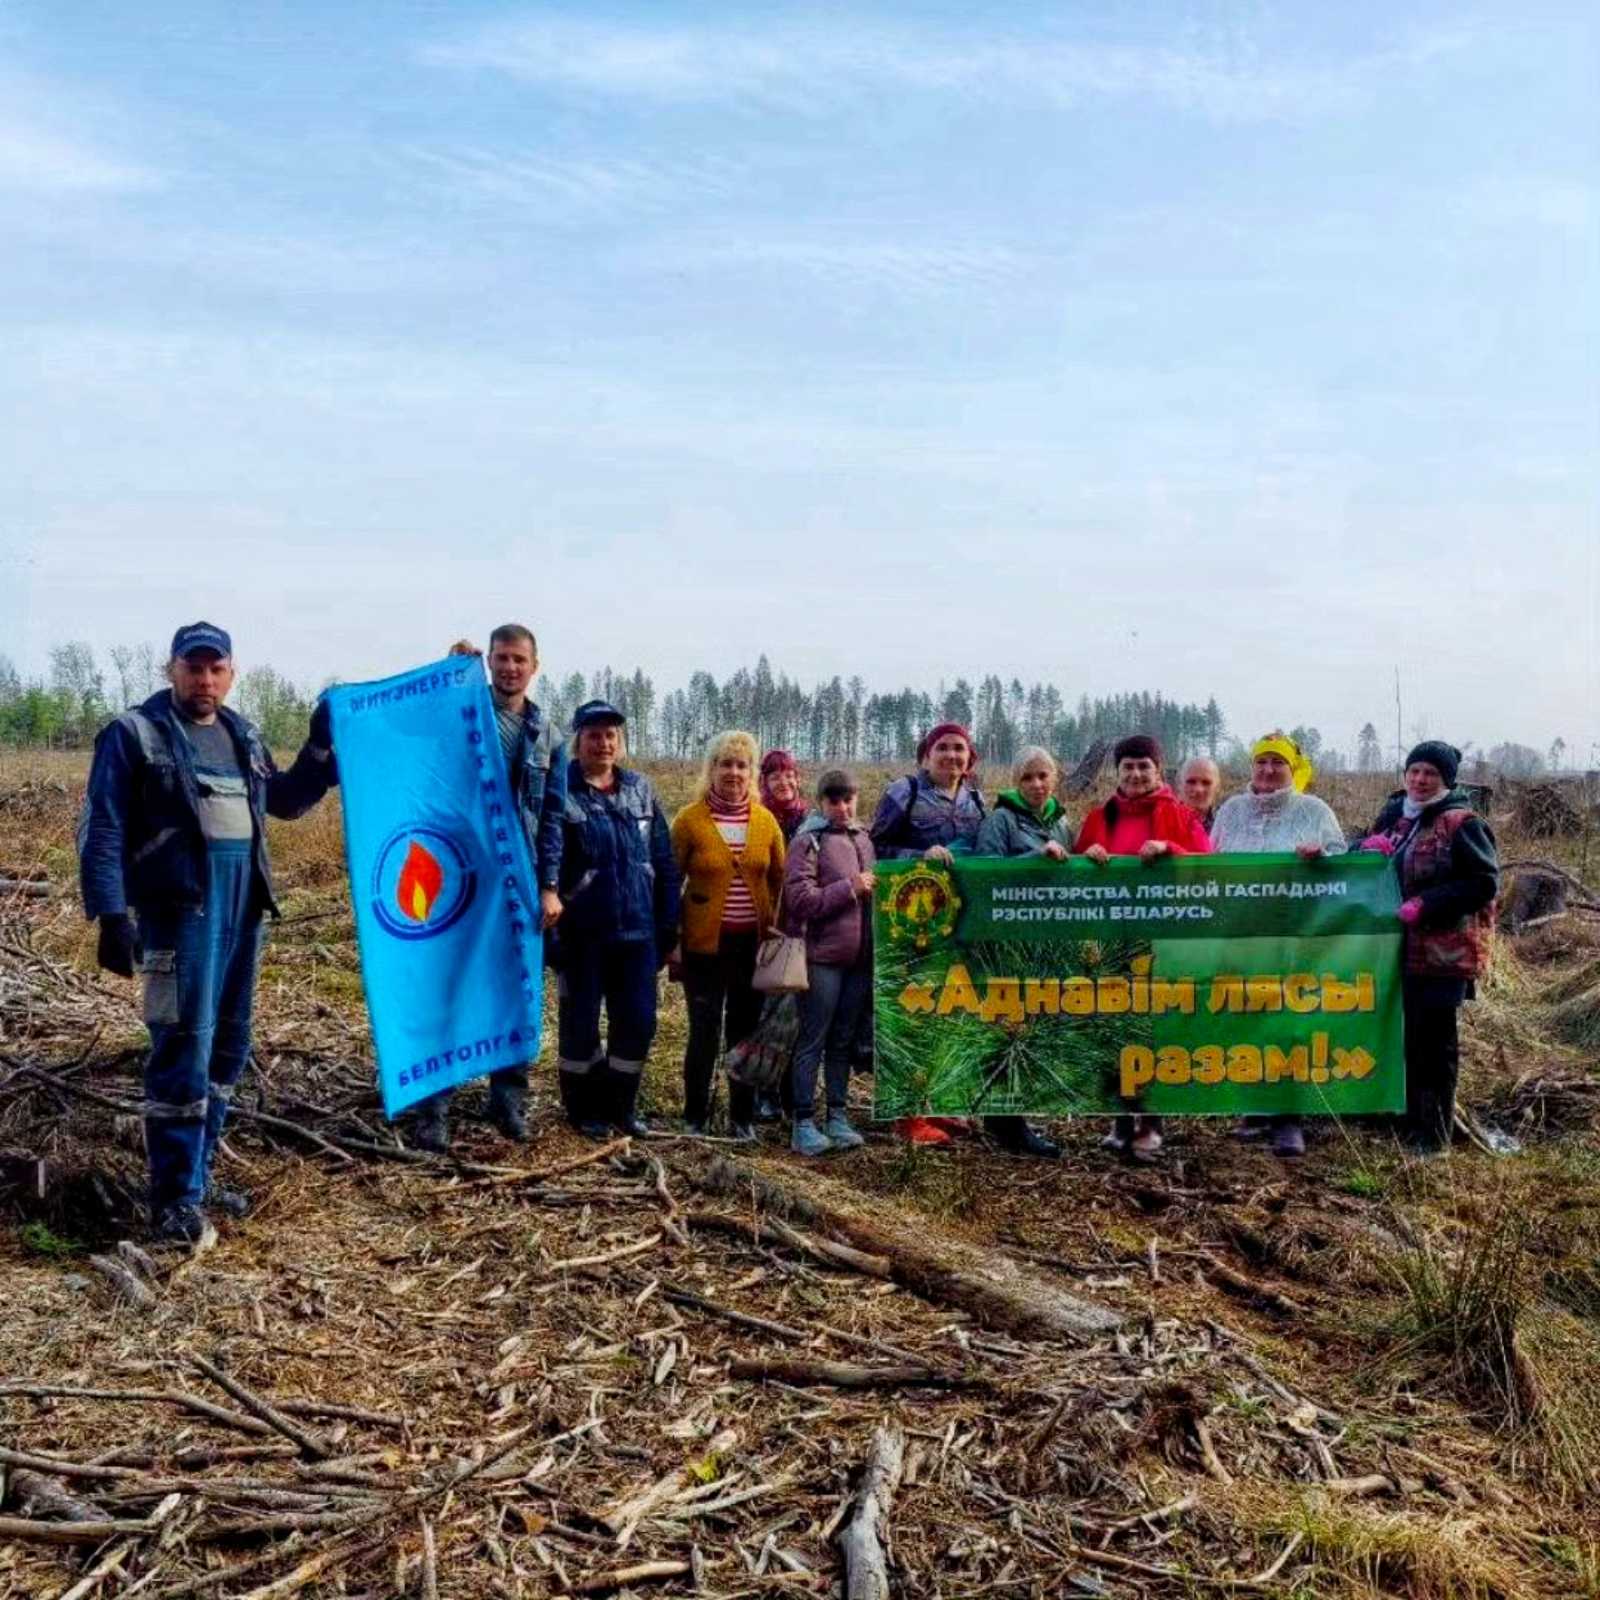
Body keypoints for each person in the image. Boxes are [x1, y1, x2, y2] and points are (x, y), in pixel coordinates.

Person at [80, 623, 337, 1243]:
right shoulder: (134, 733)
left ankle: (197, 1175)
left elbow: (284, 801)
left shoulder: (241, 733)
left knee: (228, 1048)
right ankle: (173, 1200)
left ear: (231, 673)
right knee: (182, 1050)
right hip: (179, 915)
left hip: (243, 913)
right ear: (171, 669)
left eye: (216, 669)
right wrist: (111, 915)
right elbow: (102, 826)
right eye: (193, 668)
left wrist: (319, 749)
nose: (205, 680)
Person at [411, 626, 567, 1152]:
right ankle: (434, 1107)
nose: (510, 668)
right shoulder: (463, 712)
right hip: (458, 874)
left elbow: (552, 817)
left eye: (519, 659)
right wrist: (449, 673)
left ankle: (507, 1101)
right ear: (490, 661)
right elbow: (425, 743)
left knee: (516, 987)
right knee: (449, 985)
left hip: (519, 881)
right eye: (501, 658)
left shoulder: (548, 736)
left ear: (534, 666)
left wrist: (549, 885)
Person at [1075, 734, 1212, 1161]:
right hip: (1111, 942)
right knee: (1112, 1028)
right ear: (1117, 772)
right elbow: (1073, 876)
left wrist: (1171, 849)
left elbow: (1209, 868)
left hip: (1162, 942)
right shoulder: (1100, 817)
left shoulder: (1180, 815)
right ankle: (1119, 1120)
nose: (1135, 774)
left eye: (1143, 767)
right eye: (1128, 767)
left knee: (1153, 1031)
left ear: (1158, 770)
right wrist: (1086, 856)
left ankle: (1151, 1123)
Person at [1210, 732, 1347, 1157]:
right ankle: (1254, 1108)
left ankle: (1289, 1118)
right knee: (1245, 1018)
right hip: (1241, 934)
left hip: (1293, 937)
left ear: (1292, 768)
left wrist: (1321, 857)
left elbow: (1345, 865)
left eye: (1278, 763)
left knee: (1288, 1023)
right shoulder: (1231, 810)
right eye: (1261, 762)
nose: (1268, 770)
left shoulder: (1314, 810)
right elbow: (1210, 862)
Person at [1361, 741, 1498, 1154]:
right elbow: (1366, 854)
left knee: (1435, 1043)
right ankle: (1405, 1118)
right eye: (1415, 771)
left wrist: (1427, 903)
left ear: (1446, 781)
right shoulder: (1395, 814)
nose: (1420, 780)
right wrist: (1362, 849)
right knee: (1403, 1034)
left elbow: (1482, 883)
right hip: (1394, 948)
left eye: (1431, 774)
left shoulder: (1462, 823)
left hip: (1443, 954)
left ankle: (1434, 1135)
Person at [553, 700, 680, 1141]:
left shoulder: (640, 789)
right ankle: (583, 1110)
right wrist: (553, 935)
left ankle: (621, 1107)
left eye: (611, 735)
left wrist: (668, 926)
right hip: (582, 936)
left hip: (638, 935)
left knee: (639, 1023)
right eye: (594, 735)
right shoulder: (560, 790)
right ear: (578, 741)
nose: (603, 743)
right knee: (580, 1026)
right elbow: (546, 863)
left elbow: (663, 861)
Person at [869, 722, 987, 1144]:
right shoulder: (905, 793)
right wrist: (920, 856)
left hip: (957, 923)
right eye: (943, 748)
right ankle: (907, 1113)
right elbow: (875, 848)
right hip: (910, 920)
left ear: (969, 758)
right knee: (912, 1011)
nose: (951, 755)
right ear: (926, 754)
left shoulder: (976, 800)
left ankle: (938, 1103)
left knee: (948, 1011)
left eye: (959, 749)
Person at [671, 731, 787, 1138]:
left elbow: (779, 881)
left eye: (742, 765)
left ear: (751, 772)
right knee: (703, 1031)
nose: (733, 772)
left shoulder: (766, 822)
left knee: (744, 1032)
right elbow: (671, 882)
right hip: (704, 946)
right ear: (712, 769)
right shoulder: (689, 821)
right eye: (725, 764)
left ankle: (742, 1118)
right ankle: (694, 1116)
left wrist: (776, 932)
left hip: (751, 948)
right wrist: (673, 940)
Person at [970, 747, 1068, 1158]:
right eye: (1027, 777)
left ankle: (1014, 1116)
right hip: (1005, 942)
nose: (1036, 784)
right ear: (1016, 781)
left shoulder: (1062, 823)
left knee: (1032, 1030)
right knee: (1006, 1028)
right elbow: (985, 873)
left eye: (1043, 776)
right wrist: (1033, 857)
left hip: (1044, 940)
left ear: (1055, 779)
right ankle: (1005, 1122)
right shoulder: (1001, 820)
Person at [783, 769, 875, 1156]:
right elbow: (800, 900)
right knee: (813, 1039)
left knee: (842, 1040)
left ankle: (837, 1116)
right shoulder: (808, 841)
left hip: (859, 960)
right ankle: (803, 1122)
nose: (842, 807)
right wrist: (850, 888)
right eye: (834, 800)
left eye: (848, 799)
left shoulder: (864, 839)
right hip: (821, 958)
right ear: (821, 802)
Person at [759, 750, 809, 843]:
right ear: (765, 783)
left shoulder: (810, 821)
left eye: (789, 776)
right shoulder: (759, 819)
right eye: (775, 778)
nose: (783, 783)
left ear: (797, 780)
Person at [1180, 757, 1222, 834]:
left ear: (1217, 787)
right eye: (1191, 782)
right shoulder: (1164, 821)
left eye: (1206, 783)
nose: (1198, 789)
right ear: (1180, 785)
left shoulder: (1224, 825)